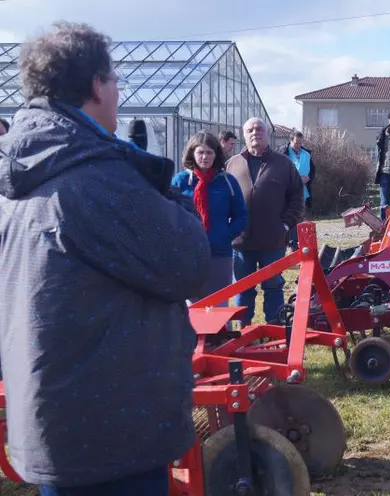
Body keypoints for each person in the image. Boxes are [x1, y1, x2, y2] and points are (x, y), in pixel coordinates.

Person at [0, 22, 211, 494]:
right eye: (114, 80)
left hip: (57, 422)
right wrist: (160, 186)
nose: (118, 92)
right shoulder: (93, 179)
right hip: (110, 436)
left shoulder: (23, 172)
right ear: (96, 84)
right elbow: (191, 263)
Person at [227, 117, 304, 326]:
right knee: (242, 288)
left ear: (267, 133)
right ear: (244, 135)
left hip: (273, 240)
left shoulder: (283, 163)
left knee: (273, 286)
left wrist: (286, 225)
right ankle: (243, 331)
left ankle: (275, 328)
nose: (255, 133)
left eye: (259, 129)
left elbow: (297, 197)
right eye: (250, 130)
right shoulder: (232, 164)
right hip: (241, 242)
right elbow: (222, 198)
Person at [172, 131, 247, 304]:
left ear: (216, 155)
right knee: (191, 310)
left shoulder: (227, 182)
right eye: (200, 152)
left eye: (209, 152)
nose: (204, 157)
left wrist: (225, 235)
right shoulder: (180, 181)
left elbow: (241, 215)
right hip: (188, 254)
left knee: (219, 309)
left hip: (219, 254)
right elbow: (169, 213)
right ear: (192, 153)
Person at [282, 130, 316, 250]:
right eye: (296, 143)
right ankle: (291, 242)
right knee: (290, 217)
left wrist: (309, 178)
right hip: (288, 192)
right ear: (290, 141)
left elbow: (312, 170)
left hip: (303, 192)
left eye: (301, 143)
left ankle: (298, 243)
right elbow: (279, 172)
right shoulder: (283, 153)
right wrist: (296, 179)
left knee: (301, 216)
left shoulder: (306, 154)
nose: (299, 145)